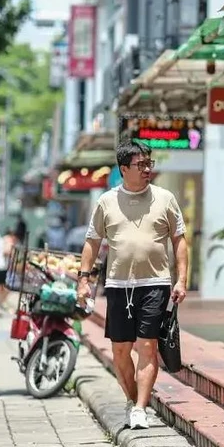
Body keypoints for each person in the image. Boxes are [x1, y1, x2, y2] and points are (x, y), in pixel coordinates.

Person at [79, 139, 188, 430]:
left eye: (149, 163)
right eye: (141, 164)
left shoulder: (165, 198)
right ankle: (132, 400)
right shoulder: (106, 202)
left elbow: (179, 240)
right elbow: (92, 241)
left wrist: (182, 279)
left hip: (155, 283)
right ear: (123, 168)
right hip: (117, 286)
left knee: (148, 345)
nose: (147, 169)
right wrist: (84, 280)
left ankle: (140, 407)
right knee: (120, 351)